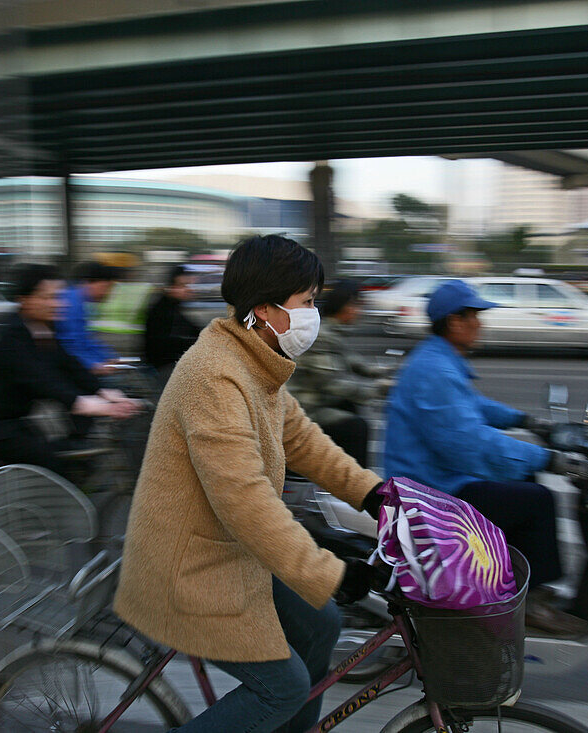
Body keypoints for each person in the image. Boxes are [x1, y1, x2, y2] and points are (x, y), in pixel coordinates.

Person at [114, 235, 387, 733]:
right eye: (307, 302)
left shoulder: (254, 362)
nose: (314, 313)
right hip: (188, 569)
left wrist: (374, 494)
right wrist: (330, 572)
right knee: (281, 688)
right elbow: (245, 500)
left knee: (321, 623)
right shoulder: (214, 375)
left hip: (227, 553)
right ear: (264, 310)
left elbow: (302, 438)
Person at [384, 279, 587, 636]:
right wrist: (547, 458)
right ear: (453, 322)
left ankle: (502, 582)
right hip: (431, 493)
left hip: (438, 477)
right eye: (474, 316)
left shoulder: (439, 359)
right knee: (539, 500)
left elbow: (475, 407)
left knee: (523, 483)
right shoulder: (435, 370)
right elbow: (471, 444)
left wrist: (527, 421)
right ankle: (534, 601)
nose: (481, 323)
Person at [0, 263, 139, 480]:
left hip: (14, 422)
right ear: (23, 300)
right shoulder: (12, 337)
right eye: (47, 298)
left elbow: (69, 365)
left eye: (58, 297)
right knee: (51, 464)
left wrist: (109, 393)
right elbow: (43, 380)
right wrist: (91, 405)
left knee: (65, 453)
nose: (57, 304)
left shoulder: (44, 330)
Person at [288, 279, 391, 468]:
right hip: (307, 408)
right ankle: (357, 491)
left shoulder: (332, 332)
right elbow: (332, 383)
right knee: (357, 427)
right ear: (345, 305)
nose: (359, 311)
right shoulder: (322, 334)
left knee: (351, 407)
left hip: (319, 400)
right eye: (357, 305)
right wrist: (377, 390)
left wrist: (390, 373)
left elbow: (356, 364)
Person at [56, 261, 123, 375]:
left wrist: (108, 358)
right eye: (107, 287)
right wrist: (93, 365)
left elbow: (85, 341)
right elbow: (71, 344)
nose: (109, 293)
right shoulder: (72, 304)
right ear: (89, 283)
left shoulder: (77, 301)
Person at [142, 264, 201, 380]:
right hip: (164, 368)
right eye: (182, 285)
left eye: (189, 285)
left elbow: (194, 331)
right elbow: (168, 342)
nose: (188, 289)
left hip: (173, 365)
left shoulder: (174, 307)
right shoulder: (161, 311)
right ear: (170, 287)